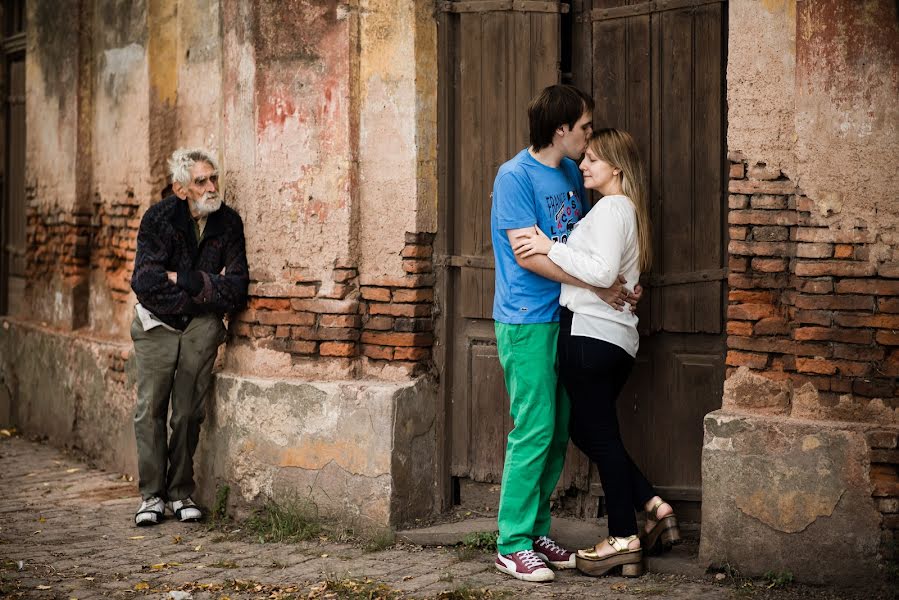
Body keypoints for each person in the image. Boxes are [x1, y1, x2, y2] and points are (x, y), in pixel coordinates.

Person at [513, 129, 681, 578]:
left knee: (599, 436)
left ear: (617, 168)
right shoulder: (625, 211)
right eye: (584, 157)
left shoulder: (610, 208)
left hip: (590, 335)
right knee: (588, 432)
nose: (583, 165)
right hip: (613, 338)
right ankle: (652, 503)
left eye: (593, 159)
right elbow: (618, 274)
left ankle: (623, 537)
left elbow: (603, 272)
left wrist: (551, 246)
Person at [491, 86, 638, 583]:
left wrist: (606, 286)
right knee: (532, 428)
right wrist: (602, 287)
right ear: (561, 129)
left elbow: (575, 246)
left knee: (556, 433)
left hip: (568, 319)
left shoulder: (575, 173)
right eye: (585, 127)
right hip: (525, 320)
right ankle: (510, 543)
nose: (589, 135)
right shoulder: (514, 177)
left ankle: (535, 531)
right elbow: (528, 254)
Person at [130, 148, 249, 526]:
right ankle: (152, 495)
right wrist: (206, 290)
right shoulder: (159, 218)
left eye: (213, 178)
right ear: (181, 189)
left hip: (201, 324)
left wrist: (184, 279)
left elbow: (238, 288)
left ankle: (181, 492)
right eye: (202, 181)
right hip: (157, 323)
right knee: (150, 409)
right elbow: (145, 282)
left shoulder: (228, 223)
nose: (212, 186)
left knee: (186, 412)